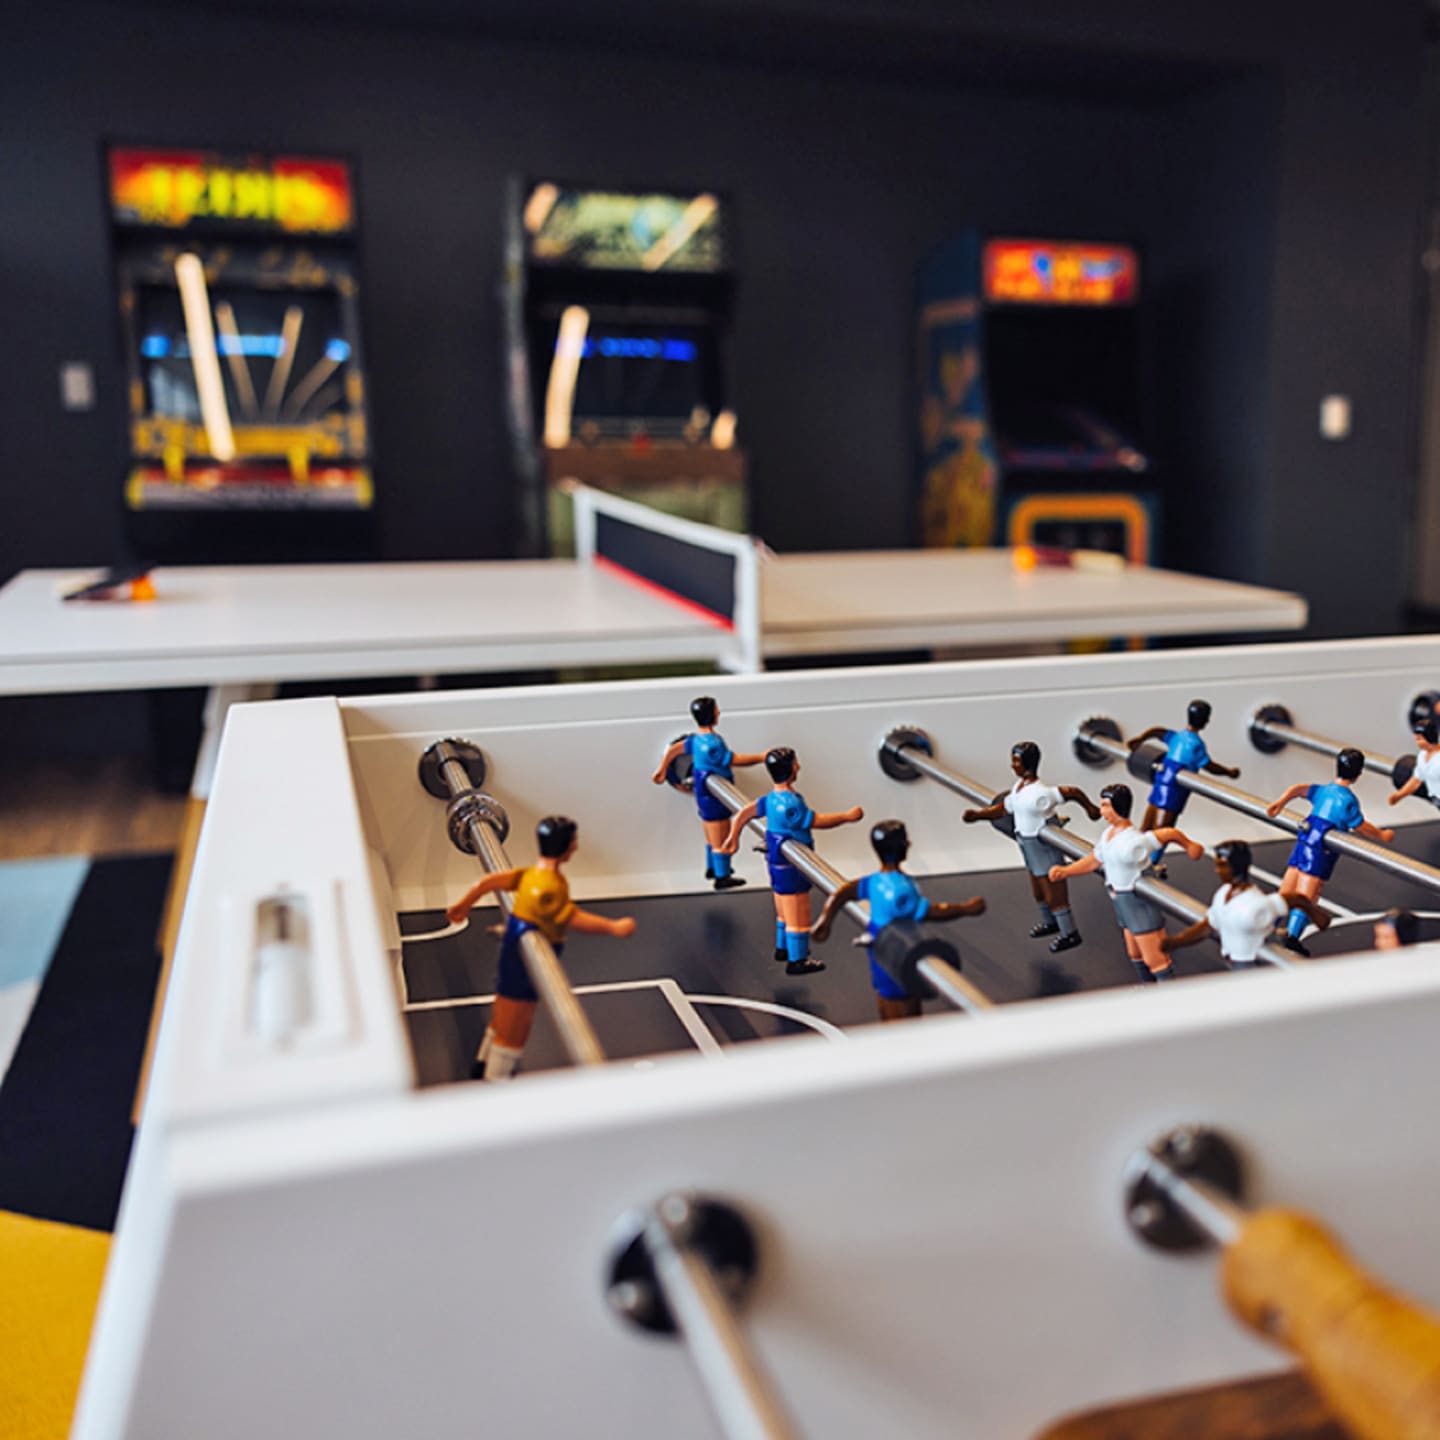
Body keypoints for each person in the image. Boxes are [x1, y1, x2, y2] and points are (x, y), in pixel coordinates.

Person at [446, 815, 635, 1081]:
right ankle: (495, 1082)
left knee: (502, 1014)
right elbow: (574, 918)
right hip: (522, 962)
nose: (577, 847)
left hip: (514, 948)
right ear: (566, 847)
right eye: (574, 842)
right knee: (515, 1029)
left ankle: (481, 1064)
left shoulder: (533, 875)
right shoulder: (548, 888)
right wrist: (614, 927)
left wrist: (464, 904)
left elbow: (488, 882)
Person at [811, 820, 985, 1021]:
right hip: (897, 947)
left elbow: (843, 893)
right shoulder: (899, 889)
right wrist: (967, 909)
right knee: (903, 1005)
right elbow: (931, 912)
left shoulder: (875, 881)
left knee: (886, 996)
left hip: (878, 943)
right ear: (900, 847)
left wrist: (825, 920)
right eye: (905, 841)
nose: (909, 844)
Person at [721, 747, 863, 975]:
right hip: (792, 864)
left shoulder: (770, 799)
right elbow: (817, 820)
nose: (798, 767)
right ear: (789, 769)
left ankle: (783, 948)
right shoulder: (790, 804)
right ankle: (797, 960)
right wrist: (846, 817)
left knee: (783, 908)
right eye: (795, 763)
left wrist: (732, 837)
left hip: (776, 861)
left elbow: (743, 814)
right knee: (799, 912)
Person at [1048, 782, 1203, 983]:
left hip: (1137, 901)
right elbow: (1095, 860)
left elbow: (1167, 833)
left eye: (1105, 805)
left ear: (1118, 807)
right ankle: (1147, 988)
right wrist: (1066, 871)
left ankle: (1169, 995)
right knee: (1134, 952)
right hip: (1120, 898)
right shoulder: (1108, 835)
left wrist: (1190, 846)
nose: (1101, 810)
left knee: (1153, 956)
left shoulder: (1133, 842)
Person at [962, 740, 1099, 953]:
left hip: (1043, 845)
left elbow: (1072, 792)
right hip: (1026, 843)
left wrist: (1091, 809)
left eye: (1015, 760)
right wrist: (978, 815)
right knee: (1037, 890)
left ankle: (1070, 933)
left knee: (1054, 891)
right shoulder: (1019, 787)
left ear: (1027, 762)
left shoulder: (1039, 793)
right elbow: (1002, 809)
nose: (1012, 765)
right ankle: (1050, 923)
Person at [1267, 748, 1394, 955]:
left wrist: (1280, 803)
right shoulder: (1348, 801)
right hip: (1320, 849)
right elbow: (1362, 827)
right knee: (1307, 896)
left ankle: (1269, 925)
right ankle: (1291, 937)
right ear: (1358, 773)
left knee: (1287, 889)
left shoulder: (1324, 790)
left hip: (1304, 839)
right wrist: (1382, 835)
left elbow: (1298, 789)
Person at [1160, 838, 1330, 970]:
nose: (1217, 870)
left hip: (1254, 963)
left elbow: (1294, 899)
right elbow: (1208, 926)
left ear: (1236, 866)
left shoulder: (1254, 904)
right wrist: (1178, 941)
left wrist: (1318, 916)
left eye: (1222, 866)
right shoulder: (1223, 894)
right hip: (1235, 959)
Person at [651, 696, 765, 890]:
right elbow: (734, 759)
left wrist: (662, 770)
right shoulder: (713, 743)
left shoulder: (695, 741)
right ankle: (722, 876)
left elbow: (674, 750)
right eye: (716, 710)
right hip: (715, 795)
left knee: (711, 834)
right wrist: (761, 757)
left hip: (704, 792)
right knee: (721, 835)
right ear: (711, 715)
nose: (719, 713)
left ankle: (712, 867)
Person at [1126, 700, 1240, 871]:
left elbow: (1157, 731)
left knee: (1148, 829)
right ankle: (1148, 865)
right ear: (1205, 721)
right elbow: (1210, 767)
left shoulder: (1177, 737)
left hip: (1161, 782)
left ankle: (1139, 862)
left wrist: (1140, 740)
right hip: (1173, 790)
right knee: (1160, 833)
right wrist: (1229, 772)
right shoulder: (1196, 745)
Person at [1389, 716, 1440, 809]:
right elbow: (1416, 781)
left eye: (1419, 739)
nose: (1417, 742)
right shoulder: (1423, 757)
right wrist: (1399, 795)